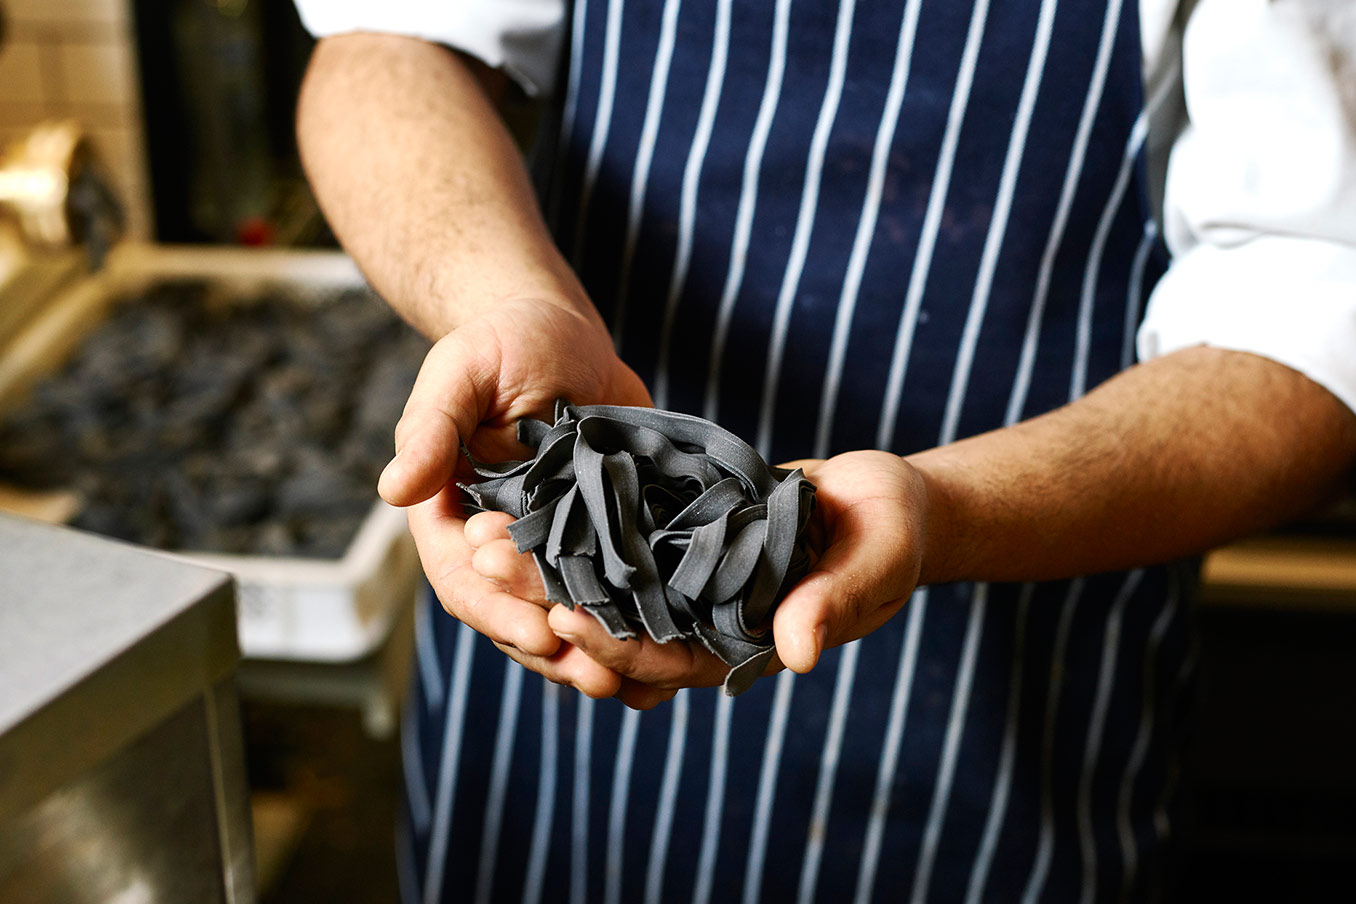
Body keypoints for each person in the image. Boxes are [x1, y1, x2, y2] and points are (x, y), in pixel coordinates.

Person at [292, 1, 1356, 901]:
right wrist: (502, 300)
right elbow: (386, 43)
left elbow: (1316, 312)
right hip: (545, 675)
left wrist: (941, 511)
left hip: (1001, 719)